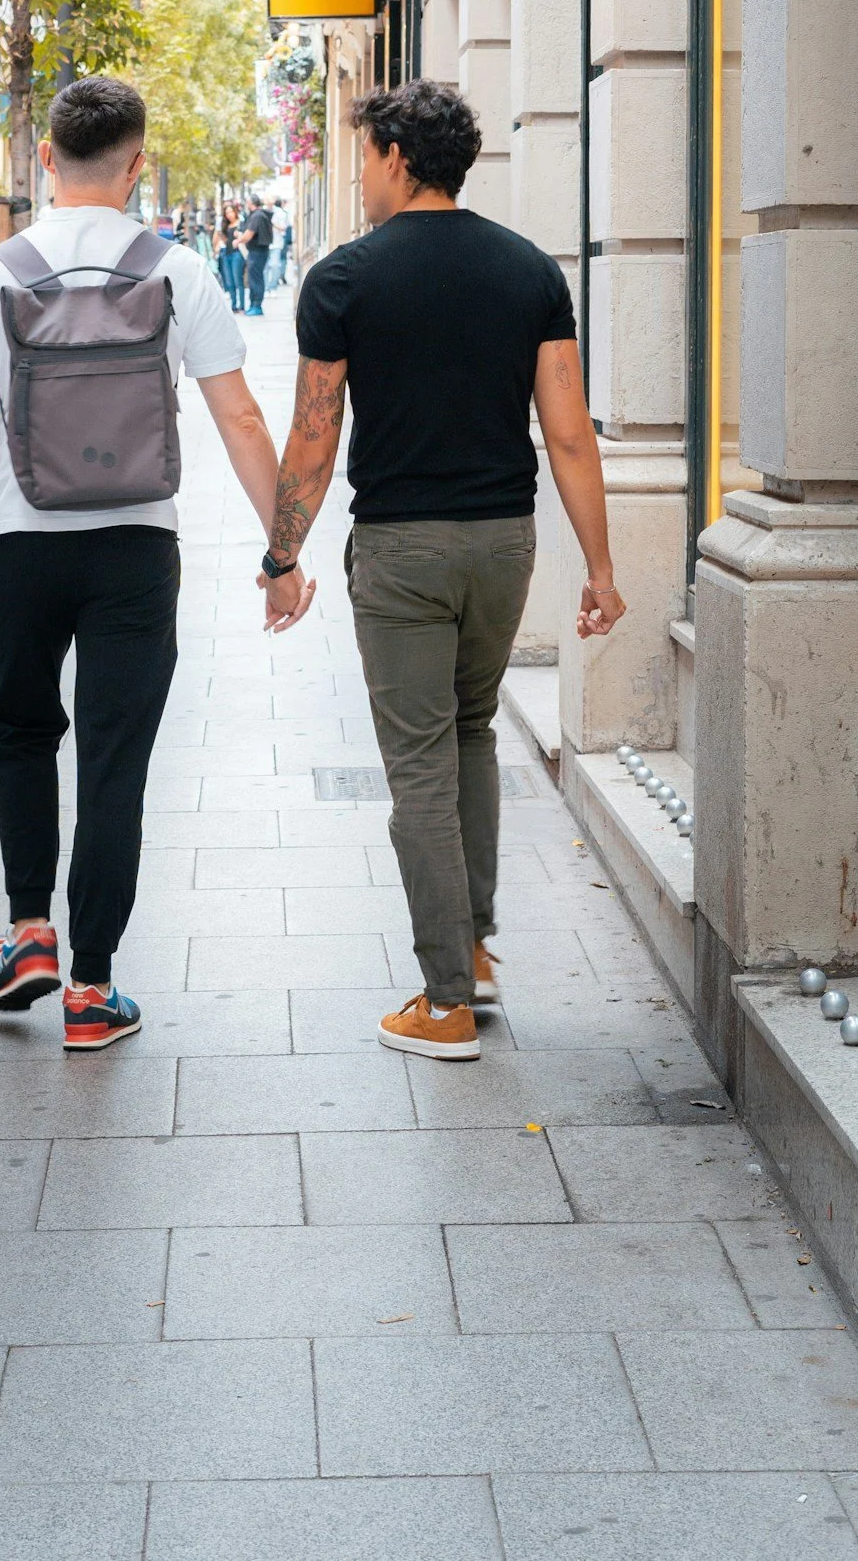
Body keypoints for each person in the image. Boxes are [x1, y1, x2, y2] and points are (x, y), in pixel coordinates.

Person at [0, 76, 312, 1052]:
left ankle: (27, 932)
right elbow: (240, 418)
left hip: (20, 543)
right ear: (137, 165)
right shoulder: (177, 271)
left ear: (45, 158)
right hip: (137, 548)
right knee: (113, 763)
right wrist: (282, 552)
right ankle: (91, 991)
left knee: (19, 731)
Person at [257, 80, 625, 1062]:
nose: (363, 174)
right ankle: (472, 945)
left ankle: (444, 998)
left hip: (403, 548)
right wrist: (600, 565)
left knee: (418, 761)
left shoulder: (343, 280)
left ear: (396, 157)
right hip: (504, 541)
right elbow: (569, 436)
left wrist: (280, 555)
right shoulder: (526, 272)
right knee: (469, 730)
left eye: (367, 155)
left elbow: (312, 434)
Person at [241, 192, 274, 316]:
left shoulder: (257, 216)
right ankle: (254, 305)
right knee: (254, 278)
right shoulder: (260, 215)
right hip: (257, 251)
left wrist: (239, 239)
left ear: (250, 203)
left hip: (257, 251)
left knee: (255, 279)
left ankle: (256, 306)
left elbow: (249, 234)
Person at [216, 203, 245, 312]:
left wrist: (239, 236)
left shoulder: (241, 224)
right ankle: (233, 306)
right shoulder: (225, 225)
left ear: (235, 211)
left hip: (237, 254)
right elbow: (225, 240)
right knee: (229, 282)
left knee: (238, 280)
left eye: (230, 212)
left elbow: (244, 237)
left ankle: (242, 306)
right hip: (226, 254)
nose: (229, 215)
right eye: (227, 213)